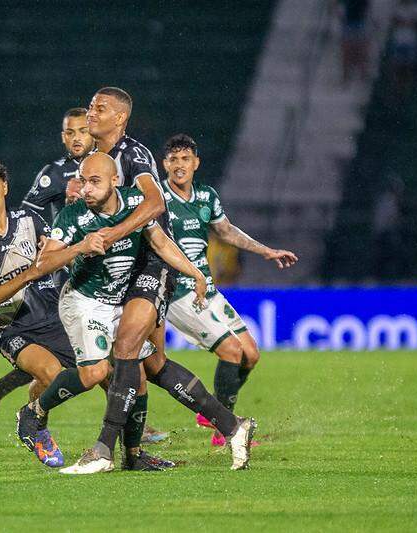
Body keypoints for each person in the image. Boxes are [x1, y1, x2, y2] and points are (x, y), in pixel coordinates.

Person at [17, 152, 256, 473]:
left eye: (94, 182)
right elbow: (41, 265)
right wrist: (79, 248)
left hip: (117, 304)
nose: (85, 189)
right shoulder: (73, 217)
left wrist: (196, 273)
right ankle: (33, 413)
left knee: (148, 368)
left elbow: (161, 244)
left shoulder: (136, 204)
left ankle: (225, 428)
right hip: (82, 302)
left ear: (115, 181)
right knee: (95, 374)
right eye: (83, 181)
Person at [153, 134, 297, 446]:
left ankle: (212, 413)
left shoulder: (206, 196)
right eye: (174, 160)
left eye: (185, 159)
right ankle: (225, 429)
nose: (180, 165)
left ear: (196, 163)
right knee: (231, 351)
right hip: (178, 291)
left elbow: (226, 231)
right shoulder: (157, 198)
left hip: (208, 288)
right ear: (165, 164)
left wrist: (266, 251)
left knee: (251, 354)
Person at [64, 87, 175, 471]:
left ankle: (105, 449)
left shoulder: (133, 154)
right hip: (123, 263)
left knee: (137, 357)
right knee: (143, 365)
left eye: (100, 108)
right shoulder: (95, 160)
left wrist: (114, 234)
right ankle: (134, 452)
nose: (91, 113)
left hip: (150, 260)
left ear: (121, 118)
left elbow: (155, 202)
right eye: (91, 106)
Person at [0, 157, 89, 468]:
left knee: (90, 371)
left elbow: (55, 255)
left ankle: (23, 409)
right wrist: (28, 274)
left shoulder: (29, 221)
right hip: (8, 324)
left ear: (5, 187)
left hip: (48, 312)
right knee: (50, 373)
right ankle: (37, 430)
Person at [0, 107, 91, 435]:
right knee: (79, 360)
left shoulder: (110, 168)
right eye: (69, 132)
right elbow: (27, 219)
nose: (76, 138)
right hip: (62, 276)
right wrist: (47, 254)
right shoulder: (54, 175)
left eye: (82, 130)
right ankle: (128, 427)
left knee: (78, 359)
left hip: (95, 267)